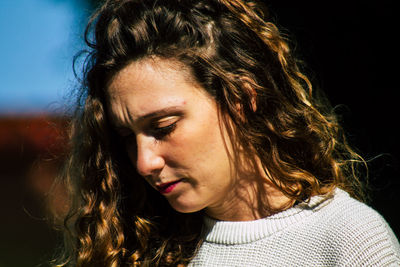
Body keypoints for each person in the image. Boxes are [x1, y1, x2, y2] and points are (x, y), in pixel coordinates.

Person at [54, 0, 400, 266]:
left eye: (163, 127)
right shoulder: (138, 249)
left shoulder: (349, 240)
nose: (144, 162)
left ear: (241, 99)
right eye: (128, 137)